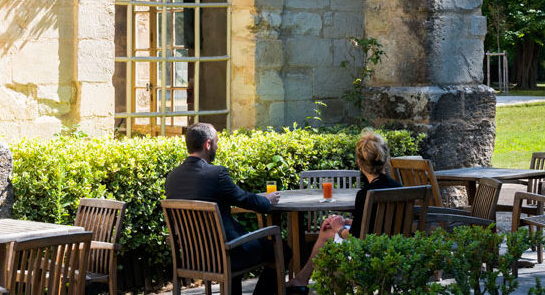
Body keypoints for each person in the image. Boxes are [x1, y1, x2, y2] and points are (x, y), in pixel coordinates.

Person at [165, 123, 283, 295]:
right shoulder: (217, 174)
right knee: (280, 250)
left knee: (231, 244)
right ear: (207, 144)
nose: (217, 146)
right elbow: (243, 198)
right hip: (225, 255)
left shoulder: (172, 177)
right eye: (216, 142)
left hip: (194, 258)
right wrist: (267, 201)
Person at [286, 130, 401, 291]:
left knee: (327, 233)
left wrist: (338, 228)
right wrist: (347, 222)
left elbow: (355, 238)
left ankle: (302, 280)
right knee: (331, 230)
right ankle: (301, 280)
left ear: (360, 163)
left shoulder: (366, 194)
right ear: (385, 160)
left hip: (370, 254)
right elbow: (378, 224)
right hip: (395, 251)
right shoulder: (398, 188)